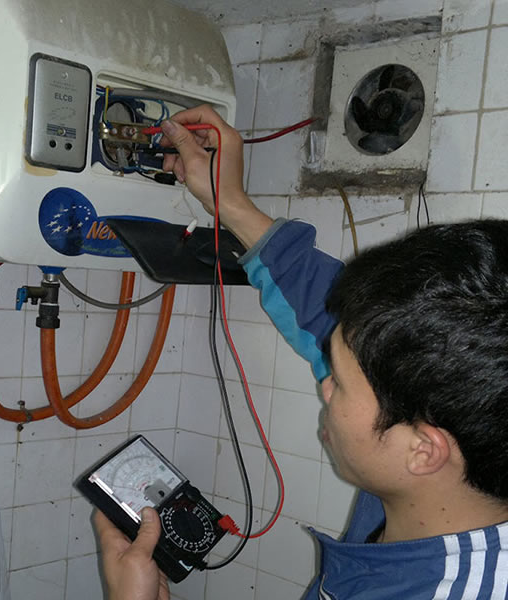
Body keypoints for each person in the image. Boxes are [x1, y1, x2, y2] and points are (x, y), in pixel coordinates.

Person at [93, 105, 508, 599]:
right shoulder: (446, 462)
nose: (325, 383)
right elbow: (328, 310)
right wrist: (231, 203)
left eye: (340, 382)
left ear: (423, 449)